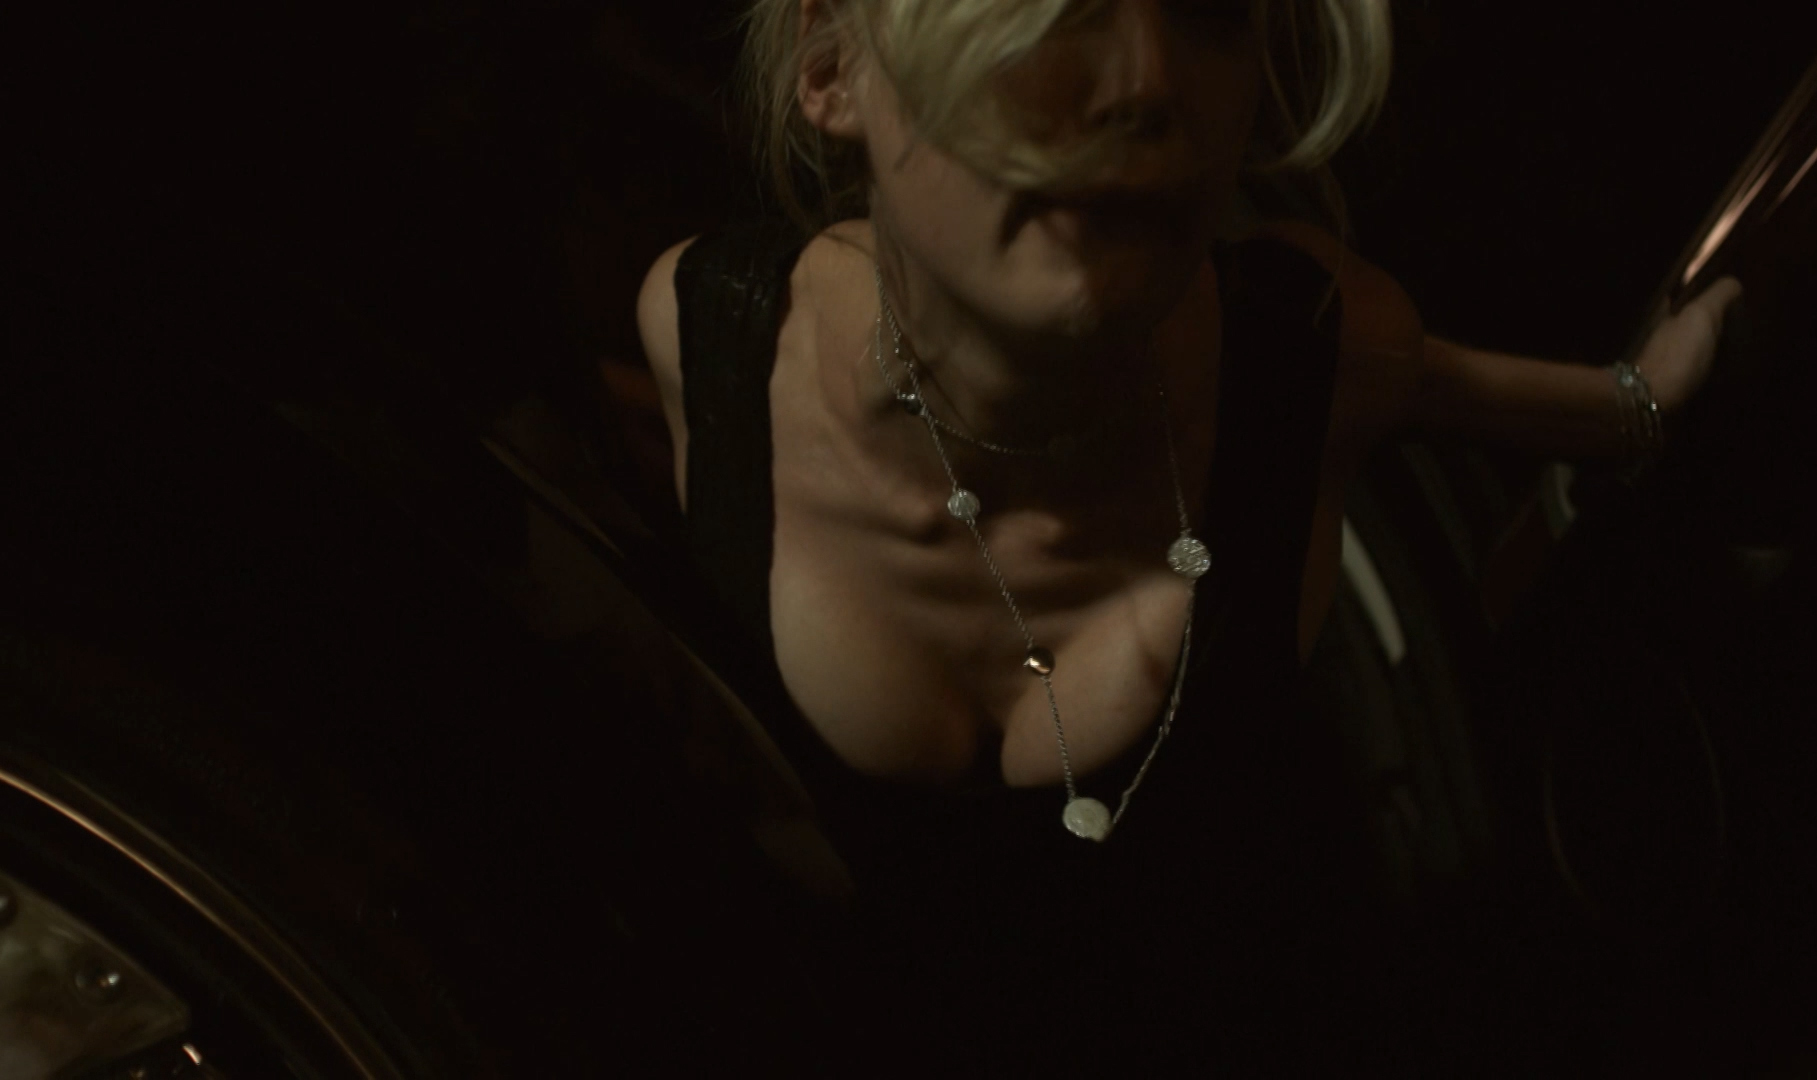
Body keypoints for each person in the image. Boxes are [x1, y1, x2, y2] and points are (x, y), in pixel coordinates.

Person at [623, 0, 1742, 1070]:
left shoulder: (1307, 353)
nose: (1148, 81)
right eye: (1045, 9)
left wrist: (1654, 393)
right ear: (832, 65)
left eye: (1210, 8)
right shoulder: (710, 335)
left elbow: (1523, 398)